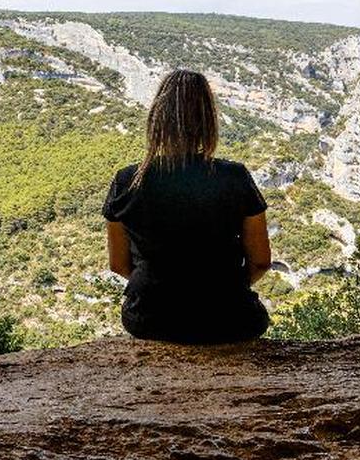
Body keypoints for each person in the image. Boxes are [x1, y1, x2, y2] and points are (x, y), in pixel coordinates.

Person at [102, 69, 273, 345]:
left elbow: (118, 264)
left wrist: (166, 288)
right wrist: (221, 290)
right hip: (230, 319)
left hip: (150, 319)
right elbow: (262, 261)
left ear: (157, 118)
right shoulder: (235, 177)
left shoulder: (127, 180)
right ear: (208, 120)